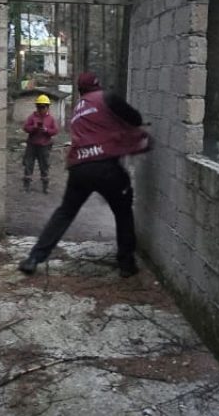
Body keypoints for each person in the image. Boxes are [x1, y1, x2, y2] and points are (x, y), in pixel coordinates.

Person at [18, 71, 150, 279]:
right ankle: (126, 264)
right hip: (105, 166)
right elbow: (135, 118)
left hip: (79, 167)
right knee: (123, 211)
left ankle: (33, 258)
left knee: (65, 213)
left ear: (80, 91)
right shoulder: (106, 98)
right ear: (98, 85)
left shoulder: (78, 108)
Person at [22, 94, 59, 193]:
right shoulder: (32, 117)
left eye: (43, 107)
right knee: (28, 164)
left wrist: (46, 130)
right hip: (32, 145)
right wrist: (33, 128)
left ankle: (45, 187)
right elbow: (25, 127)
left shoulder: (51, 119)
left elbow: (55, 130)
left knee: (44, 165)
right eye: (39, 106)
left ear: (47, 107)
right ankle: (26, 186)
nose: (41, 109)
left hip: (44, 146)